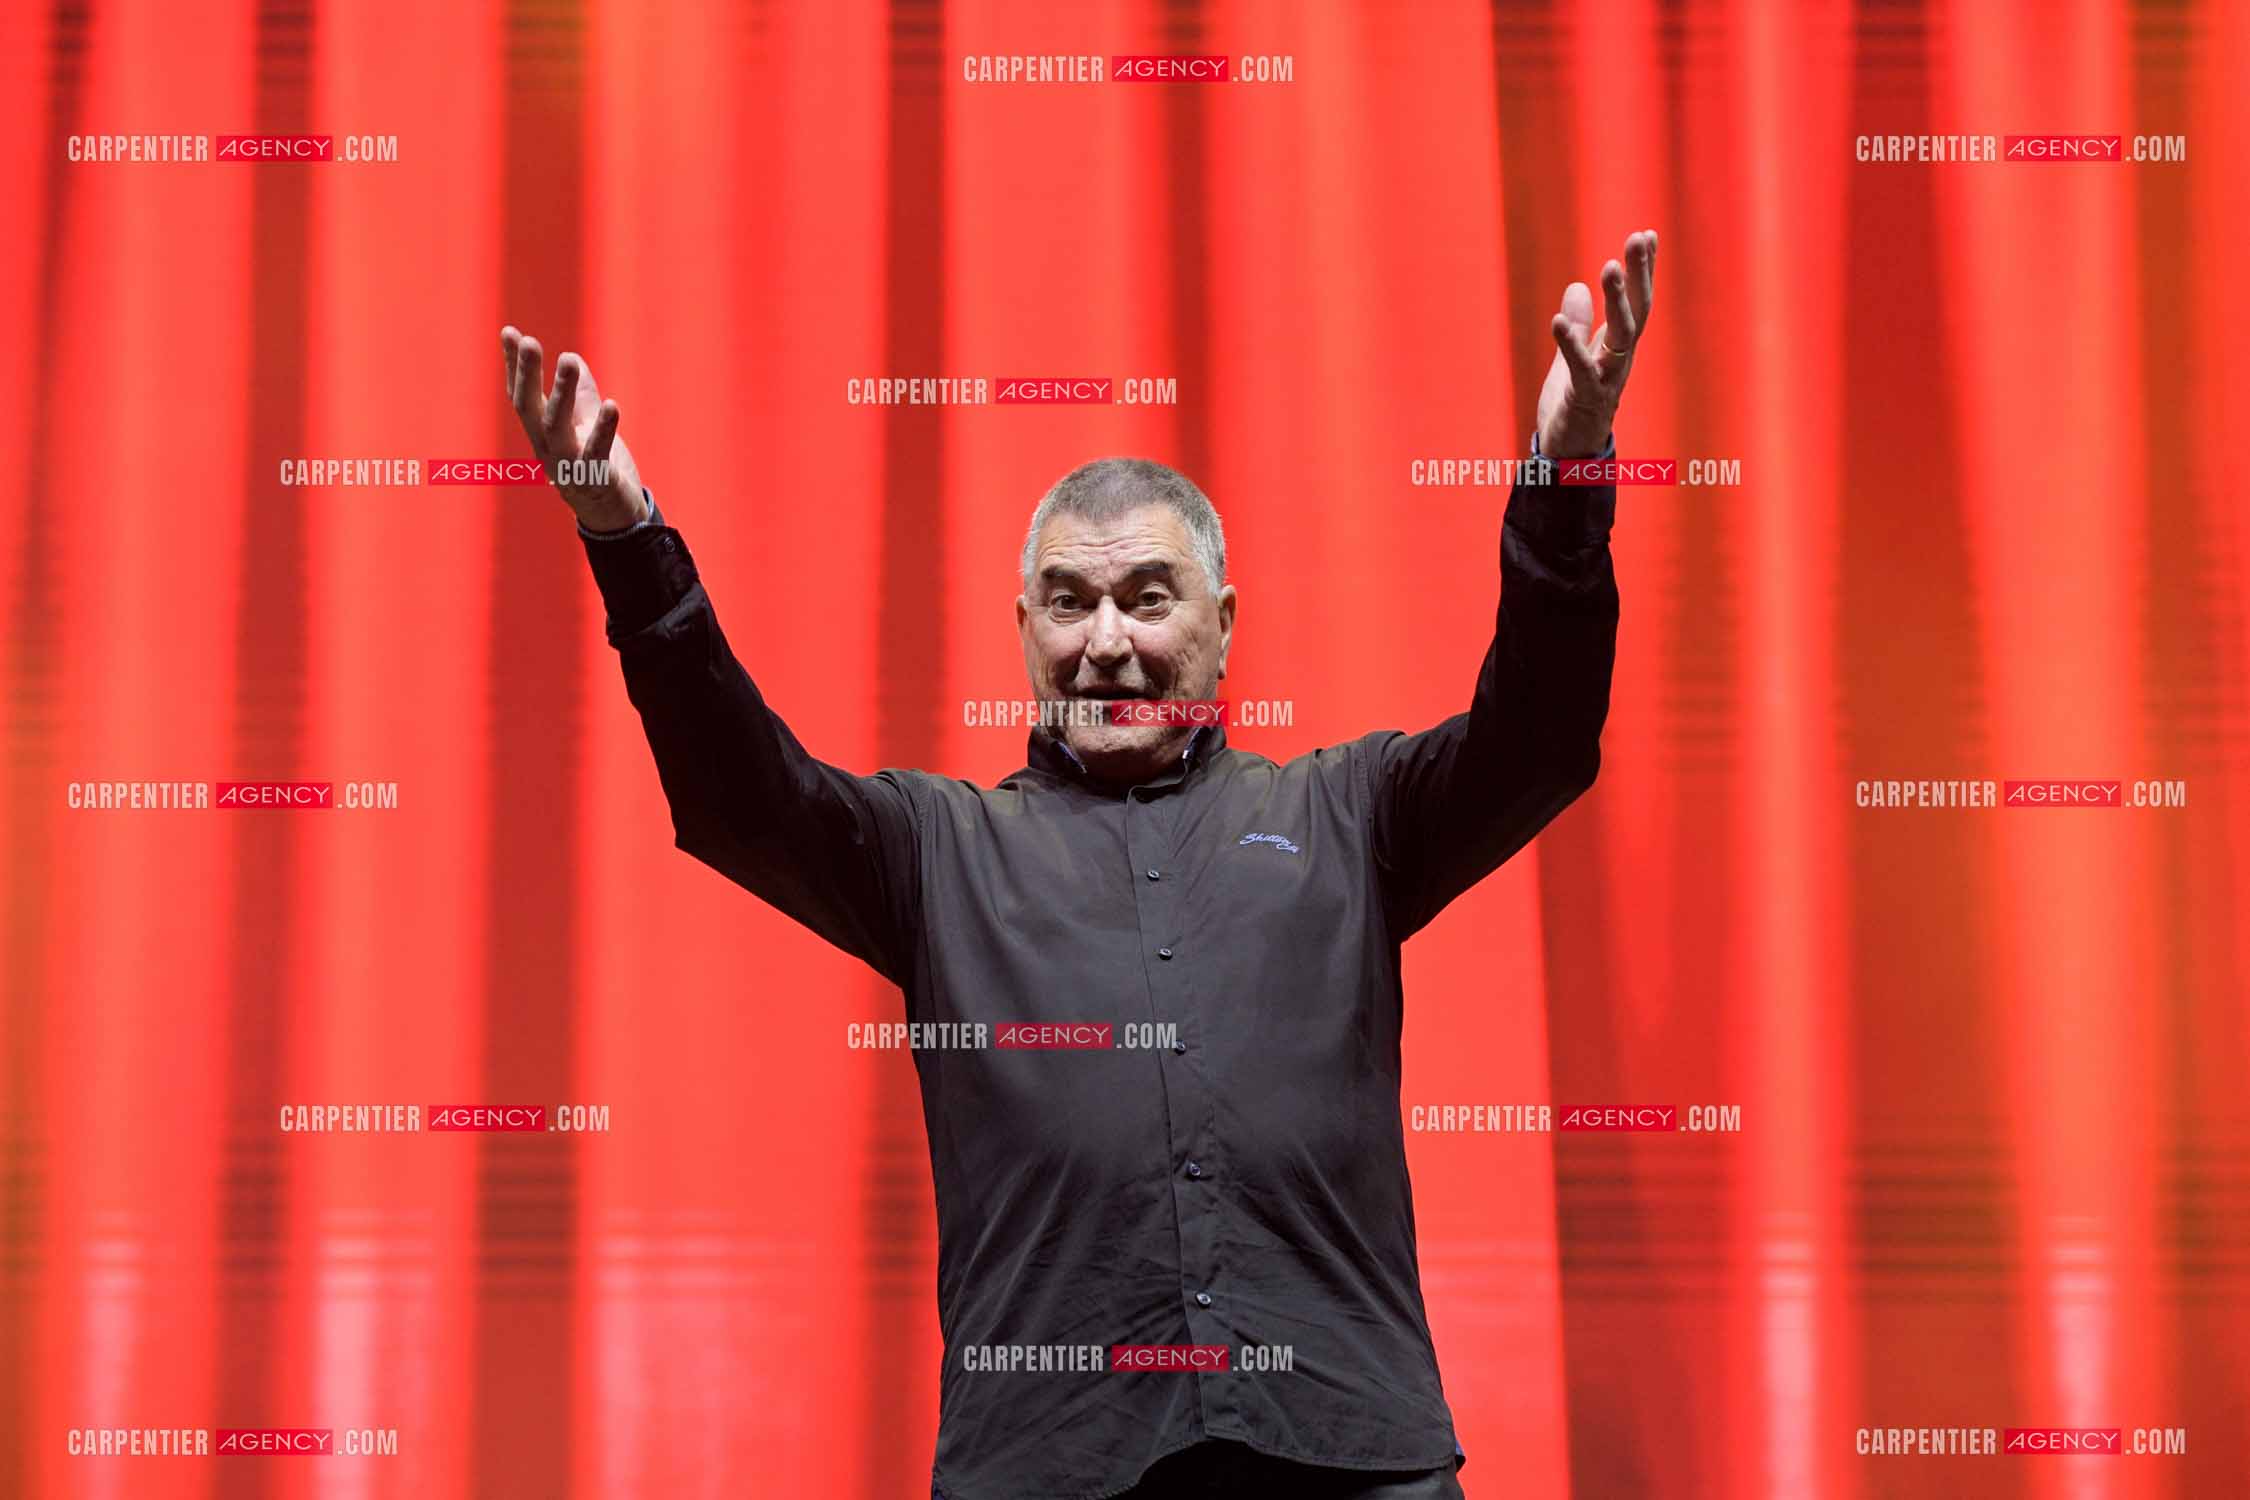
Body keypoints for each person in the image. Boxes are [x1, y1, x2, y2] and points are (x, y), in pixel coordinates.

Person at [500, 228, 1655, 1500]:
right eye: (1069, 602)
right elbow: (737, 796)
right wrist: (628, 536)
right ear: (1025, 630)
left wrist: (1569, 467)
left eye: (1149, 599)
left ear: (1223, 622)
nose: (1106, 641)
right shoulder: (936, 850)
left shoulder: (1351, 813)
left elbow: (1541, 737)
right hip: (1049, 1466)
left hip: (1349, 1451)